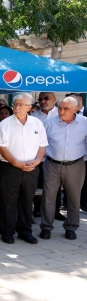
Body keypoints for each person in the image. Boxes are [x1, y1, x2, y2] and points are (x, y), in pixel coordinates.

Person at [0, 93, 48, 244]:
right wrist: (16, 162)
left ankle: (25, 231)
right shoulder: (5, 124)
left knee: (26, 201)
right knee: (8, 201)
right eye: (15, 104)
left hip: (31, 169)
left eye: (20, 105)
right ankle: (7, 232)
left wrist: (36, 161)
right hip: (10, 168)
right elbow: (1, 147)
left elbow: (42, 146)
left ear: (29, 107)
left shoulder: (37, 123)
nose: (16, 107)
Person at [39, 97, 87, 240]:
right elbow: (41, 144)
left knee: (74, 197)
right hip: (52, 164)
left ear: (75, 109)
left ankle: (71, 227)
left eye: (66, 108)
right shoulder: (49, 123)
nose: (61, 111)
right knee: (48, 197)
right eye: (60, 108)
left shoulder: (84, 123)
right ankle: (46, 227)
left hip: (76, 165)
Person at [31, 92, 63, 219]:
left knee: (55, 186)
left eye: (46, 98)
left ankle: (56, 211)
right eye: (40, 99)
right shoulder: (34, 116)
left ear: (54, 99)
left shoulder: (61, 114)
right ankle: (38, 210)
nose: (42, 101)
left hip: (54, 157)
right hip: (38, 158)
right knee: (39, 185)